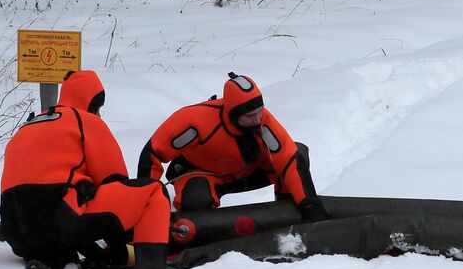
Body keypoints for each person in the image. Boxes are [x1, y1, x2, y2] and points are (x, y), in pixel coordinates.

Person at [0, 70, 172, 269]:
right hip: (60, 216)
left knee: (61, 232)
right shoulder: (86, 121)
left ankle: (49, 265)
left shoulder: (28, 126)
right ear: (91, 102)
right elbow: (115, 180)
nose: (99, 113)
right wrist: (121, 245)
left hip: (15, 228)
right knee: (152, 192)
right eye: (98, 106)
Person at [137, 72, 327, 221]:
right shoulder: (196, 121)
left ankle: (287, 211)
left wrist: (309, 204)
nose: (258, 119)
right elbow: (153, 153)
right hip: (206, 175)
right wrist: (147, 202)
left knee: (298, 152)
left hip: (248, 172)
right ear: (233, 113)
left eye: (259, 112)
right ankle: (201, 234)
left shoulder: (262, 120)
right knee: (195, 198)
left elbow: (288, 159)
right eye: (250, 116)